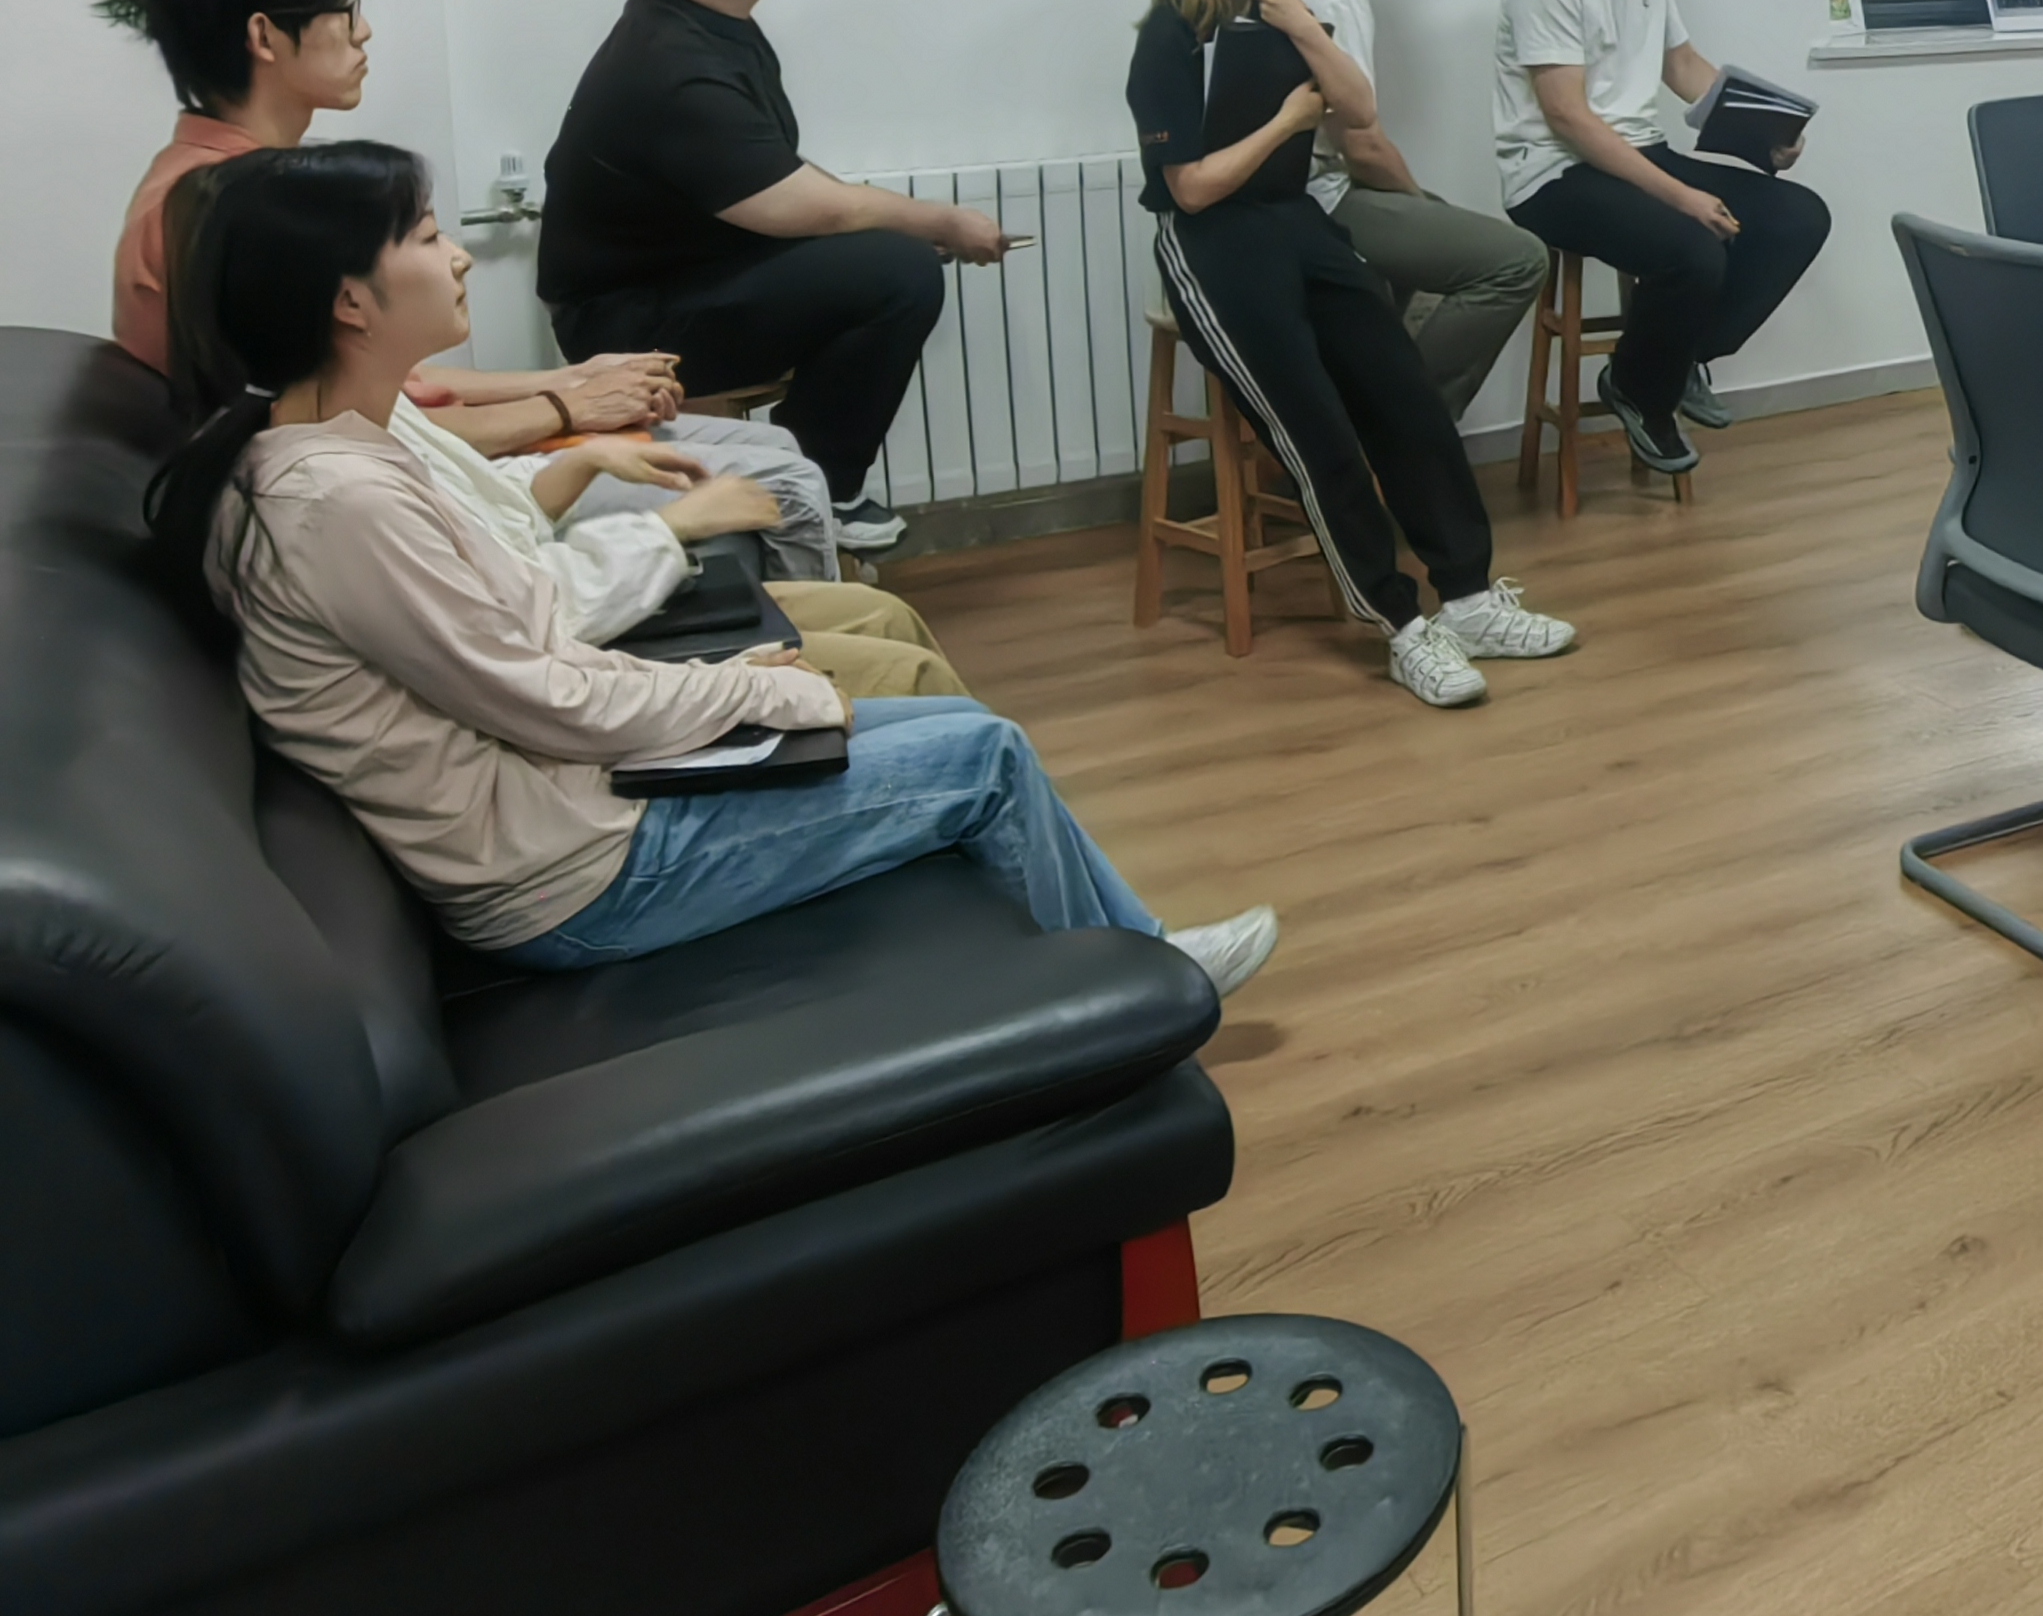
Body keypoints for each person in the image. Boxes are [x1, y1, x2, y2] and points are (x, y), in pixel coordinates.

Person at [146, 141, 1275, 995]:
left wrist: (732, 685)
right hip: (576, 872)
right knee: (982, 757)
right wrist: (751, 692)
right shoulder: (332, 497)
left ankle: (1100, 969)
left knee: (963, 731)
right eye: (427, 236)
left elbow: (525, 628)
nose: (457, 255)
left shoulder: (338, 446)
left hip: (580, 797)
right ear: (349, 300)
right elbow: (544, 694)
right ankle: (1142, 985)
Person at [96, 0, 839, 576]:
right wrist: (564, 408)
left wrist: (570, 378)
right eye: (345, 9)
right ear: (265, 36)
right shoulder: (217, 213)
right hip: (384, 503)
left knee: (773, 446)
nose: (364, 31)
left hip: (407, 462)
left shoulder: (240, 183)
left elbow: (386, 383)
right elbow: (332, 440)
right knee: (785, 481)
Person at [1129, 0, 1575, 709]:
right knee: (1318, 432)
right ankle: (1401, 626)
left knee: (1405, 397)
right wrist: (1284, 125)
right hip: (1214, 246)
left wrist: (1304, 26)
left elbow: (1357, 109)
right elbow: (1191, 189)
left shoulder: (1281, 12)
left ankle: (1470, 598)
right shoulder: (1168, 40)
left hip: (1298, 223)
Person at [539, 0, 1016, 554]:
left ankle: (801, 479)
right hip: (624, 323)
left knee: (881, 258)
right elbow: (805, 205)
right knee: (898, 270)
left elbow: (770, 174)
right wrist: (942, 222)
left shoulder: (708, 26)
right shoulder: (673, 63)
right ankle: (817, 489)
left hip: (687, 279)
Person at [1496, 0, 1833, 475]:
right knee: (1693, 245)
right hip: (1555, 173)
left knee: (1797, 216)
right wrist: (1683, 196)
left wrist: (1763, 138)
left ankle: (1670, 363)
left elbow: (1681, 65)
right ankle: (1644, 394)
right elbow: (1567, 117)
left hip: (1636, 150)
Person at [1282, 0, 1547, 414]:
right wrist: (1418, 203)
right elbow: (1361, 144)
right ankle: (1406, 424)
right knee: (1516, 259)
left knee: (1429, 233)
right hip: (1313, 199)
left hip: (1291, 191)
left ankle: (1376, 405)